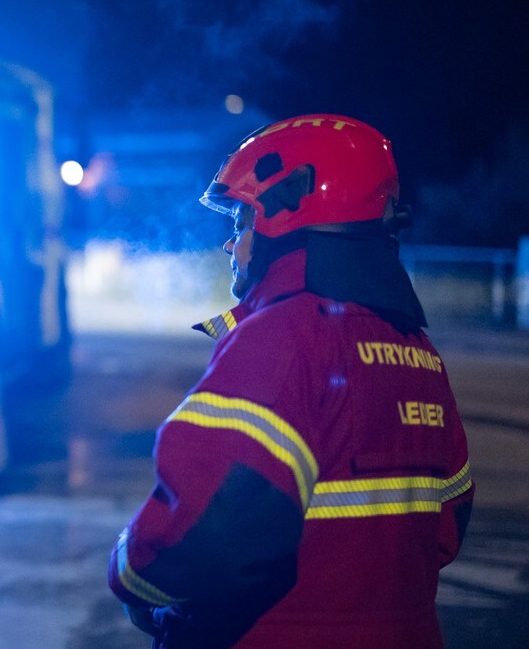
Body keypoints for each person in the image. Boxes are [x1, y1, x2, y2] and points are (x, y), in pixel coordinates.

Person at [108, 114, 474, 648]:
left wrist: (128, 574)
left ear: (285, 212)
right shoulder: (418, 352)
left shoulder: (280, 340)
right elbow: (449, 522)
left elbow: (204, 533)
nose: (231, 245)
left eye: (240, 223)